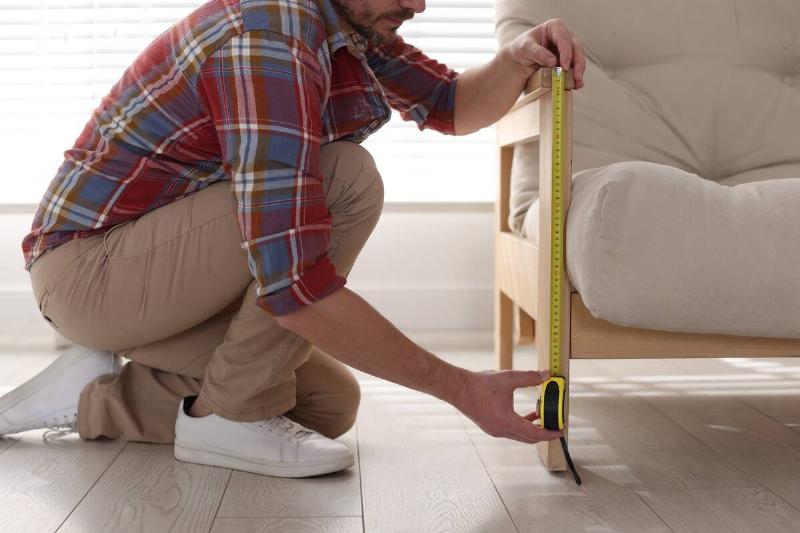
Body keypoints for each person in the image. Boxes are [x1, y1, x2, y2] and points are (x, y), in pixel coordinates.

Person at [1, 0, 586, 478]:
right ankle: (227, 420)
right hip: (89, 271)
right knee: (345, 178)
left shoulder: (347, 24)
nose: (418, 4)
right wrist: (460, 388)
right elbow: (294, 282)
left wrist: (516, 57)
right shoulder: (270, 34)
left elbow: (451, 104)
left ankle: (90, 396)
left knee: (326, 405)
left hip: (143, 279)